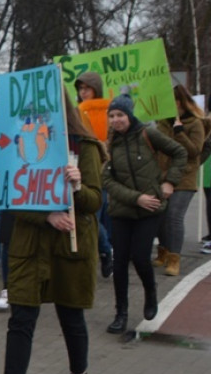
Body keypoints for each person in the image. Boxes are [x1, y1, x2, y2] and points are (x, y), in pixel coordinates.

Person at [0, 90, 103, 374]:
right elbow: (9, 198)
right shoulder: (17, 145)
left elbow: (94, 202)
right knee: (21, 319)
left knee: (71, 316)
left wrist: (78, 187)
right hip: (30, 245)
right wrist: (45, 216)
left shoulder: (85, 147)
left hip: (69, 246)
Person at [102, 94, 186, 334]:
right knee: (120, 264)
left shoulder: (148, 134)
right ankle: (121, 313)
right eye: (112, 116)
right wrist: (134, 197)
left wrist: (170, 182)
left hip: (149, 210)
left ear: (129, 115)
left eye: (120, 115)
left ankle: (151, 292)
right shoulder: (111, 142)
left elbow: (179, 153)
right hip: (122, 210)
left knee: (140, 258)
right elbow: (107, 179)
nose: (116, 120)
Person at [153, 85, 206, 276]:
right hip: (162, 175)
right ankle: (163, 251)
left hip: (184, 177)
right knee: (160, 215)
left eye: (172, 101)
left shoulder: (194, 123)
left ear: (180, 102)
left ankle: (174, 258)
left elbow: (194, 151)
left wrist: (180, 133)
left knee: (174, 216)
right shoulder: (162, 123)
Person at [75, 72, 114, 278]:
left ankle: (104, 252)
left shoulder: (109, 112)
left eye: (87, 88)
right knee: (89, 217)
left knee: (94, 217)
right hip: (79, 169)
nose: (83, 92)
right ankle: (104, 252)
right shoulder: (75, 112)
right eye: (80, 89)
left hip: (102, 171)